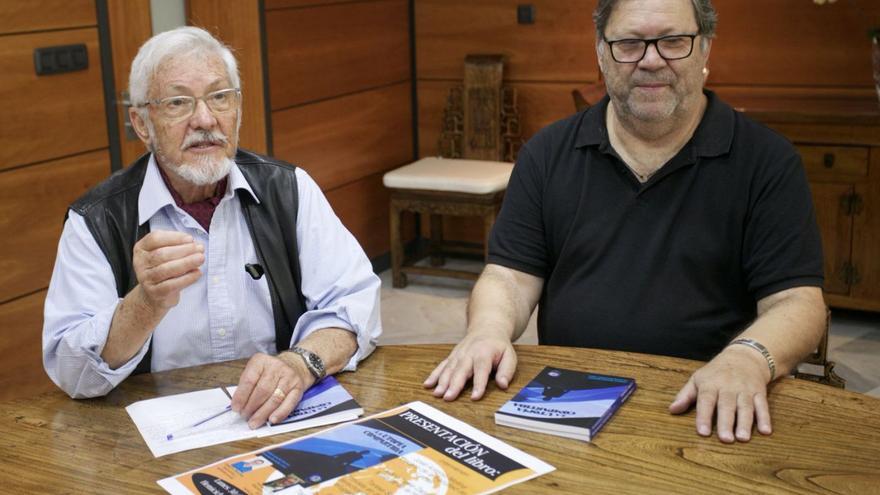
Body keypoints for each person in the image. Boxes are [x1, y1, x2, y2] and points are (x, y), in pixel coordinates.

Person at [424, 0, 827, 444]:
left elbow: (797, 302)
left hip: (707, 403)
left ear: (705, 47)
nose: (651, 60)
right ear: (601, 51)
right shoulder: (546, 153)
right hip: (568, 398)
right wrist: (488, 330)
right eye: (630, 43)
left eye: (673, 41)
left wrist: (749, 359)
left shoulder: (767, 161)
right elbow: (509, 277)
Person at [42, 27, 382, 430]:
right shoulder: (97, 219)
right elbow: (71, 371)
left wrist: (300, 363)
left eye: (220, 97)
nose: (205, 119)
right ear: (142, 123)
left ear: (238, 109)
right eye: (178, 102)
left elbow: (355, 302)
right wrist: (145, 303)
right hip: (151, 439)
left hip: (274, 418)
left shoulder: (288, 189)